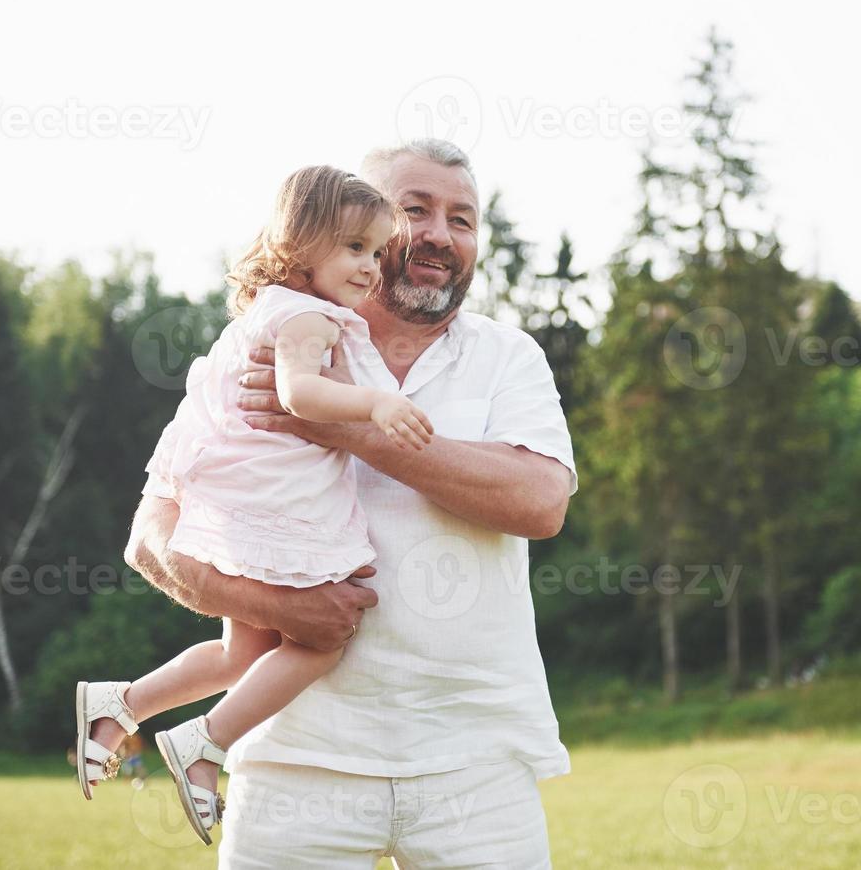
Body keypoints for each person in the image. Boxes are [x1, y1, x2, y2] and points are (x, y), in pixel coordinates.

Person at [125, 138, 577, 868]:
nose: (438, 233)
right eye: (414, 209)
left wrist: (350, 430)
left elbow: (540, 502)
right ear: (350, 226)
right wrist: (273, 608)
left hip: (477, 764)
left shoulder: (507, 356)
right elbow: (151, 534)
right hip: (294, 763)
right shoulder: (259, 343)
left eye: (461, 218)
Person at [75, 165, 434, 846]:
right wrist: (379, 403)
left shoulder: (277, 307)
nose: (370, 268)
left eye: (376, 252)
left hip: (245, 496)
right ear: (301, 243)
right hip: (276, 504)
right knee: (325, 637)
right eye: (353, 248)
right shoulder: (306, 317)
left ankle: (121, 704)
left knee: (244, 650)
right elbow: (300, 395)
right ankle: (205, 740)